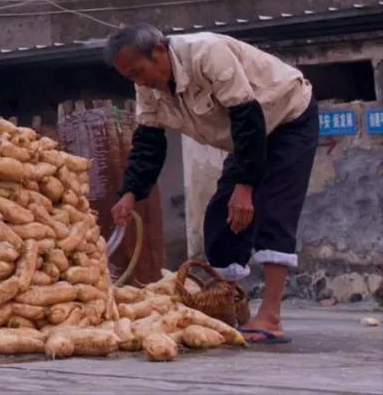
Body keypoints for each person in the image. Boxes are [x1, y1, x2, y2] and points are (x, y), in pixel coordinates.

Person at [106, 24, 318, 345]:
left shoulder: (207, 54)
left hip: (288, 119)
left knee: (273, 211)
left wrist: (246, 186)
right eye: (129, 77)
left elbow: (247, 116)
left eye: (139, 70)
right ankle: (229, 308)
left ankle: (272, 317)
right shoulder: (147, 87)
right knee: (221, 217)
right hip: (245, 138)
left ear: (160, 52)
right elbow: (149, 142)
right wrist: (130, 193)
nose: (138, 81)